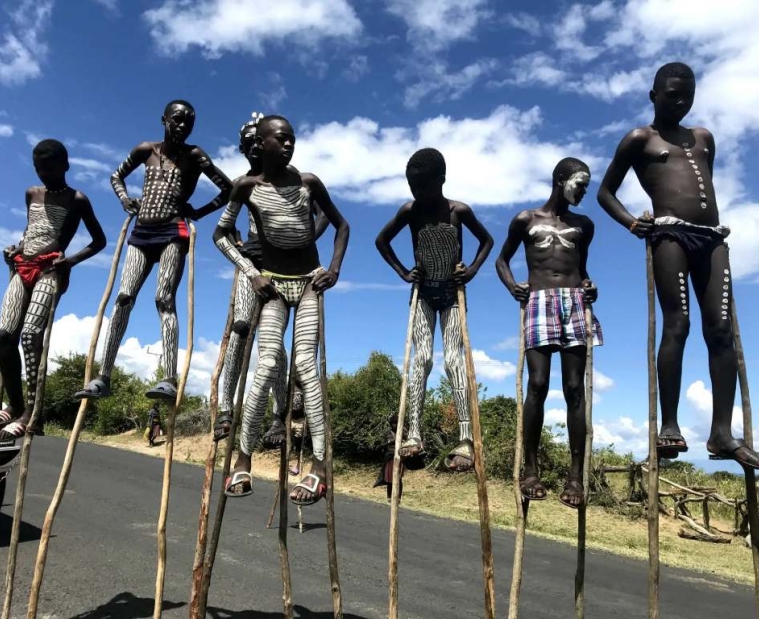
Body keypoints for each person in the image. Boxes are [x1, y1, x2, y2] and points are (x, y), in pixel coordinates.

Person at [597, 62, 759, 470]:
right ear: (653, 95)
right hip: (670, 234)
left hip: (712, 238)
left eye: (687, 96)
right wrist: (631, 222)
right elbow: (606, 193)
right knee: (678, 324)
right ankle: (669, 425)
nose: (680, 102)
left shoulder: (704, 138)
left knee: (721, 330)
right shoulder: (640, 139)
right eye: (672, 95)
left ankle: (722, 433)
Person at [213, 115, 349, 504]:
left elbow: (342, 225)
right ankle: (243, 457)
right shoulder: (246, 188)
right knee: (268, 363)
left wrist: (334, 270)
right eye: (279, 139)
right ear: (262, 143)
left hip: (308, 282)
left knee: (306, 365)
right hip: (272, 285)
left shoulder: (308, 183)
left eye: (291, 139)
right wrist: (251, 272)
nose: (287, 145)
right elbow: (220, 235)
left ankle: (321, 466)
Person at [75, 100, 232, 402]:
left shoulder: (194, 155)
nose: (183, 125)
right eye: (177, 119)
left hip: (173, 231)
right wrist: (125, 199)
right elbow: (115, 176)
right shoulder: (145, 150)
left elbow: (228, 189)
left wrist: (198, 211)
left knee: (164, 299)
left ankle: (169, 378)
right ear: (164, 119)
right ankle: (103, 376)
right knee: (123, 298)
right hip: (141, 232)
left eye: (189, 121)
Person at [375, 148, 494, 473]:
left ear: (441, 181)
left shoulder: (459, 211)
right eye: (414, 188)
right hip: (424, 293)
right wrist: (403, 272)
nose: (419, 194)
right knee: (422, 358)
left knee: (454, 360)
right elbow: (382, 240)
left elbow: (487, 241)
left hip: (453, 294)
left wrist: (471, 270)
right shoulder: (410, 211)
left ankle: (466, 436)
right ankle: (414, 433)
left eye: (424, 187)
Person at [214, 113, 327, 443]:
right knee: (240, 326)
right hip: (254, 265)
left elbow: (322, 216)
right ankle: (225, 408)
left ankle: (280, 413)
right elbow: (221, 226)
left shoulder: (294, 183)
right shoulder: (244, 185)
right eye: (248, 144)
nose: (253, 149)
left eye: (256, 142)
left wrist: (305, 241)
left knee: (275, 340)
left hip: (290, 269)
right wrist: (246, 266)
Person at [496, 157, 601, 508]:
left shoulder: (585, 224)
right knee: (537, 384)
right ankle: (530, 470)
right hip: (539, 301)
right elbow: (502, 260)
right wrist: (514, 288)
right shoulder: (526, 219)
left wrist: (589, 287)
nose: (584, 192)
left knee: (574, 388)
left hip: (573, 303)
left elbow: (581, 267)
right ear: (560, 180)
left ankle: (574, 476)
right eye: (580, 184)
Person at [0, 140, 106, 438]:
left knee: (30, 336)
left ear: (65, 166)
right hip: (22, 266)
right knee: (4, 335)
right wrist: (14, 249)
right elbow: (31, 231)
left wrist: (70, 262)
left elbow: (99, 241)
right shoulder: (32, 194)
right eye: (39, 168)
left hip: (50, 271)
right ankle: (15, 406)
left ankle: (33, 412)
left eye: (50, 168)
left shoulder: (77, 199)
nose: (44, 174)